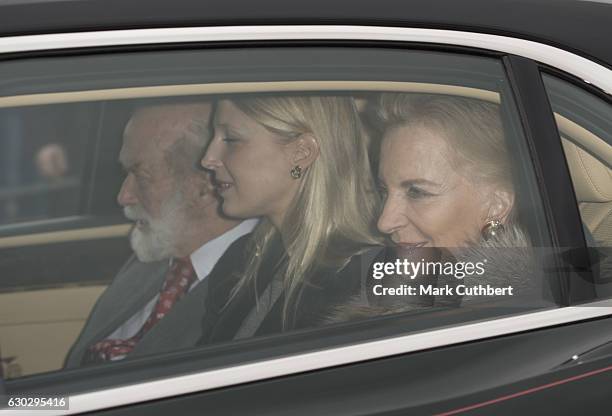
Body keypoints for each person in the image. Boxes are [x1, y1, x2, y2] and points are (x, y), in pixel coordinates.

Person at [64, 100, 257, 367]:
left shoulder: (261, 288)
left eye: (141, 175)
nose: (123, 196)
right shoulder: (158, 249)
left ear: (206, 185)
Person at [199, 95, 381, 341]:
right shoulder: (241, 260)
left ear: (302, 153)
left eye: (231, 139)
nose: (208, 158)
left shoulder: (369, 280)